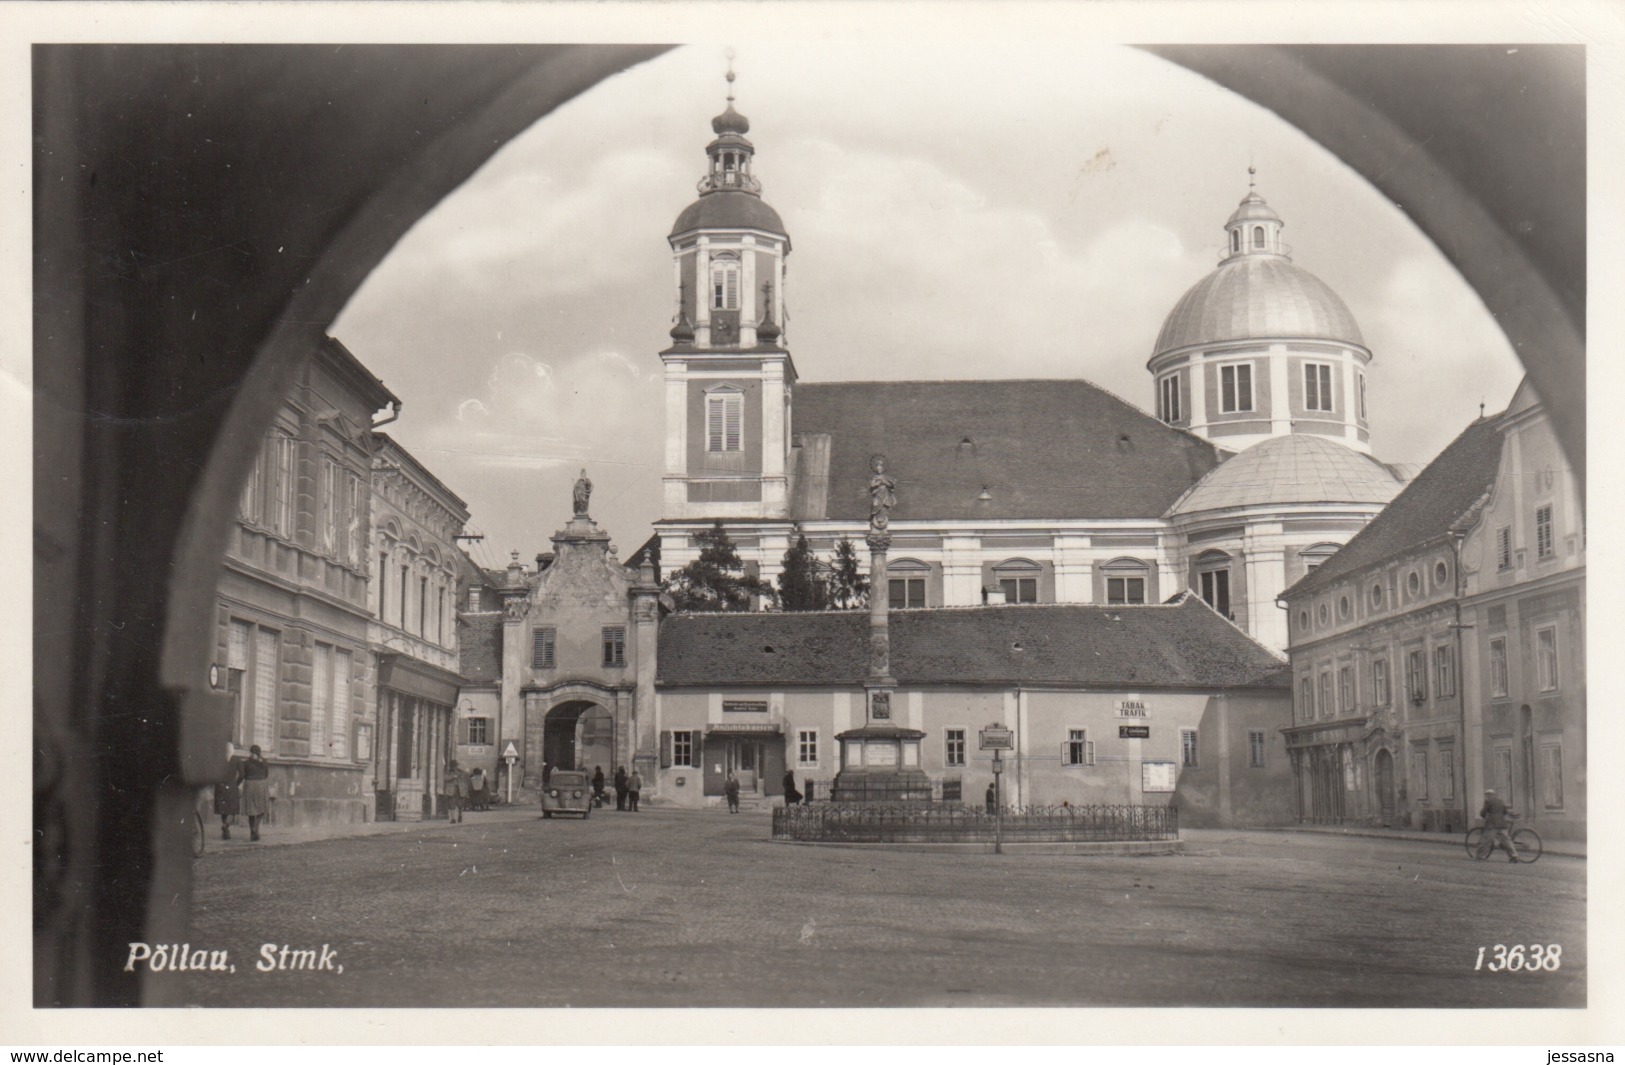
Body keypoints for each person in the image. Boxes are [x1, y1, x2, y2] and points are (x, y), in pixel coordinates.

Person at [1477, 788, 1519, 862]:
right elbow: (1505, 811)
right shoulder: (1500, 801)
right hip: (1502, 824)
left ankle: (1481, 856)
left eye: (1487, 795)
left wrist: (1484, 816)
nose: (1486, 797)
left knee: (1486, 840)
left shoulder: (1488, 802)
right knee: (1506, 841)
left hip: (1492, 825)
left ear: (1489, 795)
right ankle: (1514, 856)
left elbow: (1483, 813)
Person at [240, 745, 270, 842]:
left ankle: (252, 834)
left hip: (249, 785)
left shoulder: (246, 763)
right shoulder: (264, 762)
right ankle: (256, 828)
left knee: (251, 810)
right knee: (262, 808)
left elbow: (243, 775)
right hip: (261, 785)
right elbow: (266, 774)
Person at [213, 744, 242, 840]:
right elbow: (242, 774)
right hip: (232, 786)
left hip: (220, 786)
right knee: (232, 809)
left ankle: (225, 829)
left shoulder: (219, 759)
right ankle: (226, 826)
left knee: (223, 809)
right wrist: (236, 783)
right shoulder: (237, 759)